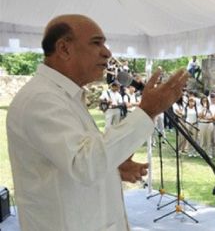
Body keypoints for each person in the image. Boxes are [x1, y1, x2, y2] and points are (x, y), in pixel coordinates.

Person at [6, 14, 188, 231]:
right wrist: (147, 111)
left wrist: (111, 166)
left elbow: (76, 160)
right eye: (96, 42)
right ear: (64, 49)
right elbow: (85, 164)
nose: (107, 52)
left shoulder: (62, 96)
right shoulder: (40, 98)